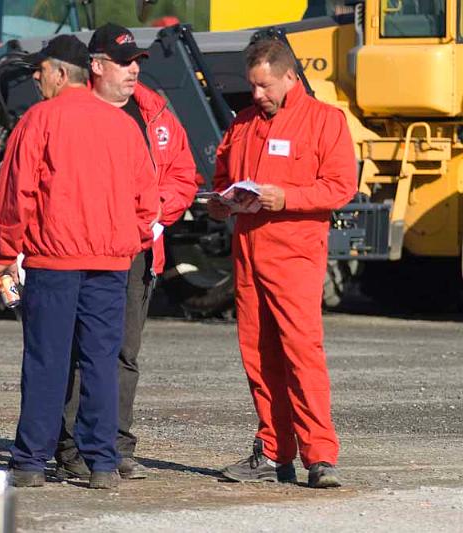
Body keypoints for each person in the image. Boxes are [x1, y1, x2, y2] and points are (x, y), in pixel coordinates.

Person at [0, 34, 159, 490]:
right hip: (111, 263)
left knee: (47, 360)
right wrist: (131, 239)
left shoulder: (39, 119)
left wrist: (7, 255)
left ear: (62, 74)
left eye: (41, 70)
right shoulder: (124, 125)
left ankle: (30, 462)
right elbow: (148, 200)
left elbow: (17, 193)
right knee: (101, 360)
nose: (36, 78)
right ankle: (103, 463)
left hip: (54, 260)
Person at [208, 37, 356, 488]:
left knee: (301, 353)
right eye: (253, 87)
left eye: (265, 86)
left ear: (290, 76)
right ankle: (274, 452)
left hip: (294, 256)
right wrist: (219, 204)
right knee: (257, 356)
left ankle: (320, 456)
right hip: (249, 255)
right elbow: (222, 178)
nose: (258, 95)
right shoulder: (243, 123)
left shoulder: (325, 121)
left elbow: (340, 187)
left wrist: (286, 196)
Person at [55, 23, 199, 481]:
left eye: (137, 62)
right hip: (80, 246)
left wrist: (158, 217)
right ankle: (71, 447)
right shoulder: (68, 113)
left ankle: (115, 446)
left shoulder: (155, 112)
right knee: (77, 350)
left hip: (136, 249)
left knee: (123, 351)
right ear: (95, 67)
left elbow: (182, 173)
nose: (133, 70)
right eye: (124, 62)